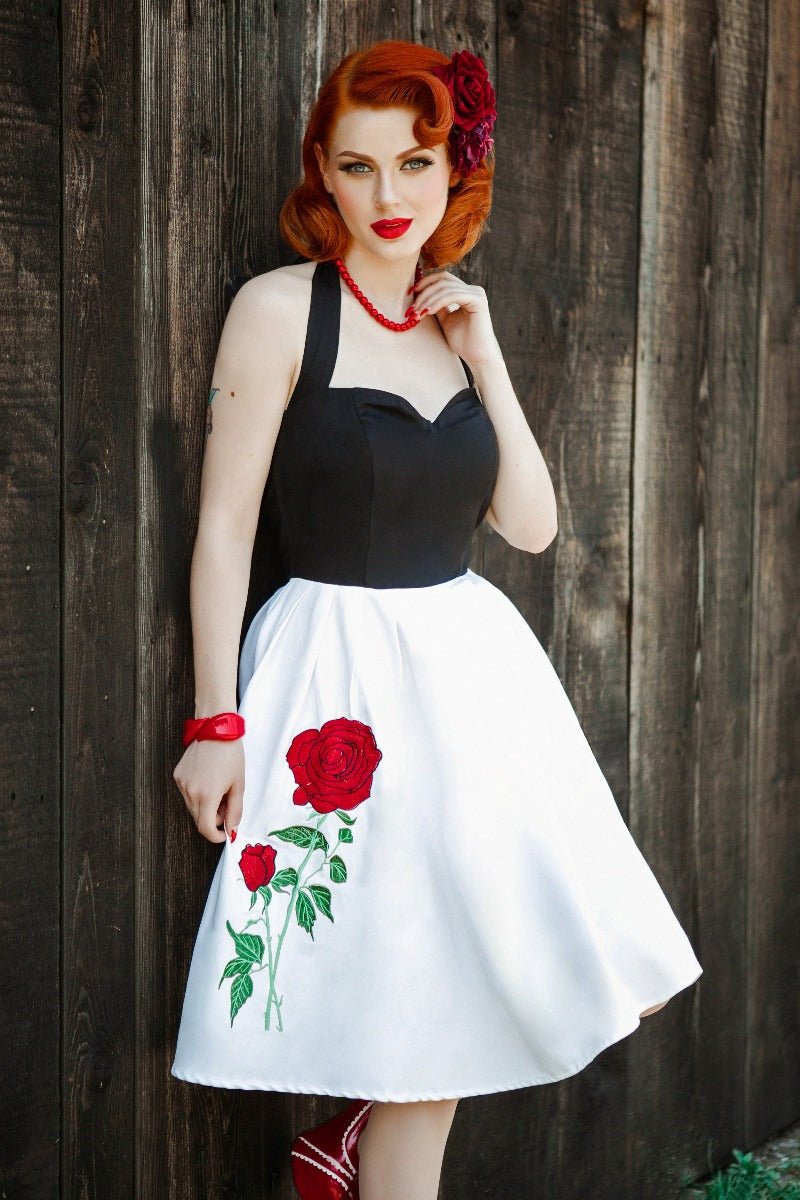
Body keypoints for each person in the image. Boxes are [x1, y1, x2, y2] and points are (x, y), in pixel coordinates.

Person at [170, 38, 702, 1200]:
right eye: (357, 169)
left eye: (414, 163)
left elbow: (530, 524)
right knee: (414, 980)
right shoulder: (278, 310)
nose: (390, 196)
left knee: (528, 960)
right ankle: (362, 1146)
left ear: (450, 168)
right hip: (335, 671)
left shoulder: (450, 316)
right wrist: (216, 724)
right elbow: (222, 531)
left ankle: (351, 1141)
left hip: (468, 681)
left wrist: (487, 353)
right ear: (322, 171)